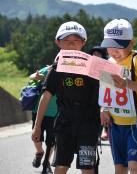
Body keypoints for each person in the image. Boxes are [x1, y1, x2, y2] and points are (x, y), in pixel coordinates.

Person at [32, 21, 101, 174]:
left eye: (76, 41)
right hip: (65, 122)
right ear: (58, 43)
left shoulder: (94, 67)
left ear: (83, 43)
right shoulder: (56, 68)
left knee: (87, 167)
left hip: (88, 123)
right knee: (61, 165)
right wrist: (37, 126)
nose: (71, 45)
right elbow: (46, 95)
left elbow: (113, 88)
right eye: (66, 41)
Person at [99, 19, 137, 174]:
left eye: (119, 46)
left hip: (135, 124)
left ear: (132, 43)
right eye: (110, 46)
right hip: (115, 125)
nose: (114, 51)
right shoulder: (108, 63)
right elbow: (106, 91)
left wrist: (127, 83)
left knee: (134, 165)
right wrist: (104, 108)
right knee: (119, 168)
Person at [30, 66, 57, 174]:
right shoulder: (48, 69)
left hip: (55, 112)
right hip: (38, 111)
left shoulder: (67, 72)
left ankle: (46, 164)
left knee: (51, 141)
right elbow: (31, 76)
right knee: (36, 137)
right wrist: (37, 77)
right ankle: (39, 152)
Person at [89, 46, 109, 141]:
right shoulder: (87, 66)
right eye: (94, 54)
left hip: (102, 98)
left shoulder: (107, 67)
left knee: (99, 119)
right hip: (89, 98)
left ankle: (98, 135)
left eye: (98, 54)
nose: (96, 55)